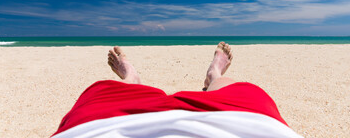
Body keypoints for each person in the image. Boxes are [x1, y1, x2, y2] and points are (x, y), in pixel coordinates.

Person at [52, 42, 302, 138]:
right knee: (242, 92)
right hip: (247, 124)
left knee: (103, 94)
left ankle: (131, 79)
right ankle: (214, 76)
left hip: (97, 127)